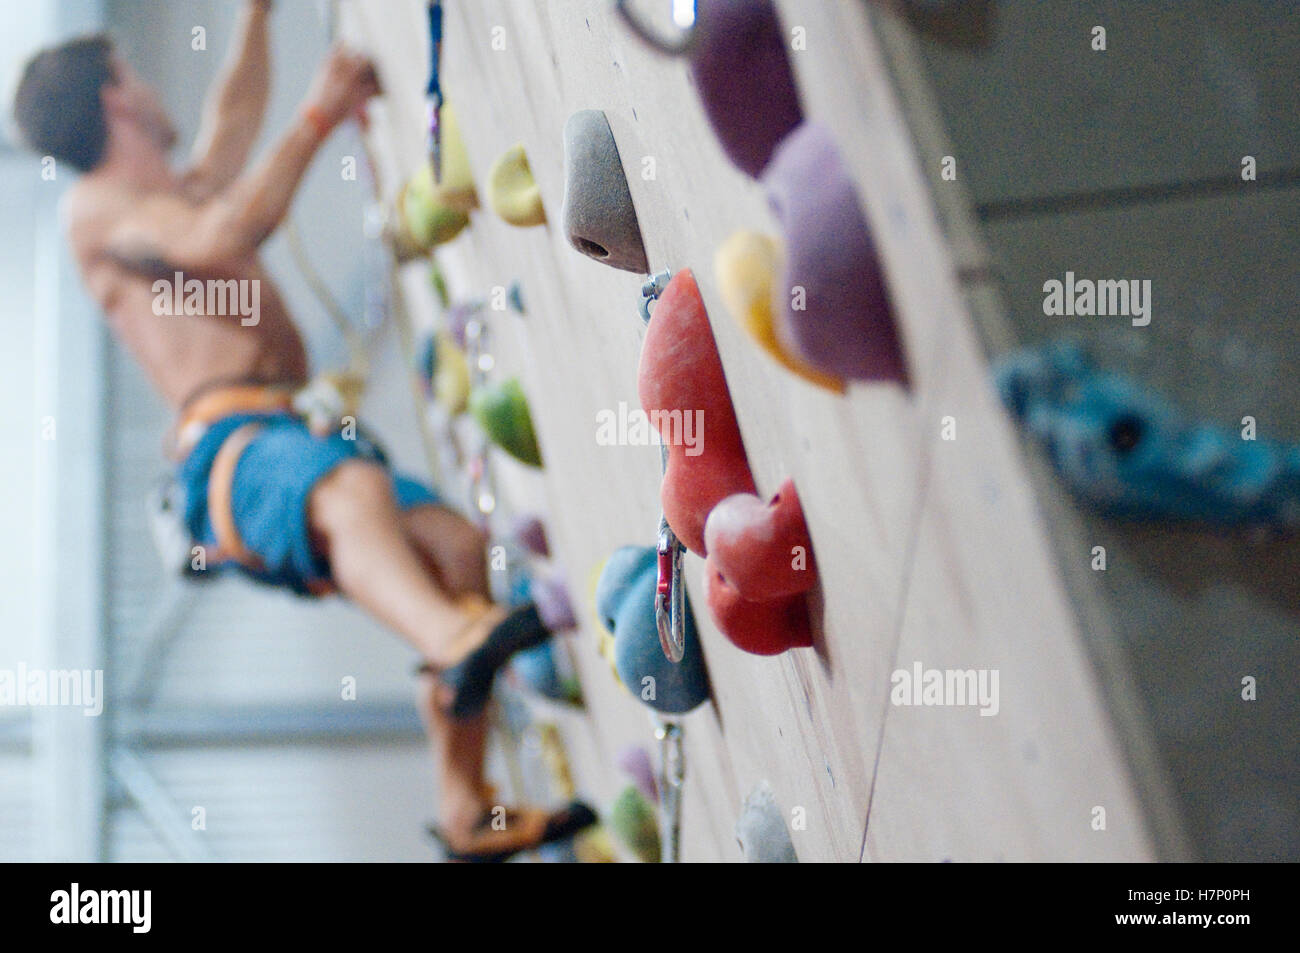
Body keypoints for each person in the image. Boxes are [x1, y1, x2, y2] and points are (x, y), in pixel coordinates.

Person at [10, 0, 593, 862]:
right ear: (116, 98)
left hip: (279, 434)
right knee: (352, 496)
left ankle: (464, 803)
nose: (148, 87)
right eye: (132, 75)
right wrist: (321, 110)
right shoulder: (95, 211)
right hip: (231, 456)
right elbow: (228, 231)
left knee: (456, 553)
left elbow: (232, 120)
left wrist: (256, 12)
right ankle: (451, 637)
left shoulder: (158, 200)